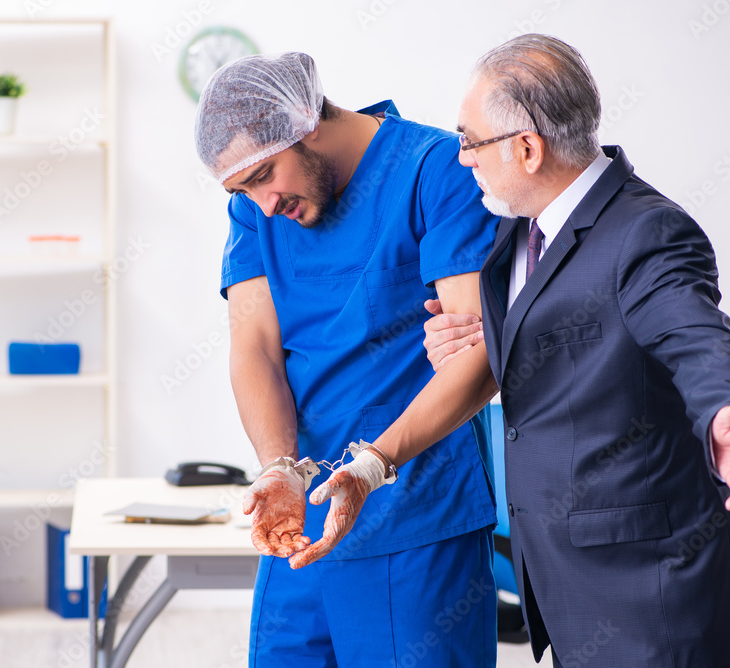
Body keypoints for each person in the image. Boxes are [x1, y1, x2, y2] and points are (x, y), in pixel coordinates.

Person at [423, 34, 730, 667]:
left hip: (652, 599)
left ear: (527, 148)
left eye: (469, 140)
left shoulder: (647, 231)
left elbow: (695, 333)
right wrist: (473, 340)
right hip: (570, 587)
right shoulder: (519, 228)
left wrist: (729, 409)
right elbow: (552, 349)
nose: (462, 158)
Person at [194, 52, 502, 667]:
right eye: (242, 190)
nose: (262, 204)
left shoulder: (433, 170)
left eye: (264, 176)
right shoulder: (256, 210)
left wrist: (371, 466)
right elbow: (254, 349)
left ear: (305, 121)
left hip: (417, 520)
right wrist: (277, 465)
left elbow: (476, 357)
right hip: (303, 517)